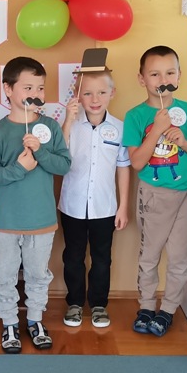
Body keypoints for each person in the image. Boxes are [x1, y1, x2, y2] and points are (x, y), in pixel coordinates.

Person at [0, 57, 72, 353]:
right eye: (28, 87)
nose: (35, 93)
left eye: (40, 87)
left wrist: (41, 152)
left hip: (41, 220)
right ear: (8, 89)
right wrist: (19, 168)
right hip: (6, 222)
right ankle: (9, 323)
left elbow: (64, 165)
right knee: (5, 276)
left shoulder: (49, 127)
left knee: (38, 275)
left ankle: (35, 320)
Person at [123, 45, 187, 336]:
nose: (163, 80)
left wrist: (184, 142)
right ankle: (147, 306)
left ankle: (168, 310)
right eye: (155, 74)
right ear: (142, 79)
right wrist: (158, 129)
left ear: (179, 76)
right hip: (154, 196)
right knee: (149, 256)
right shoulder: (135, 116)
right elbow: (136, 162)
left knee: (180, 257)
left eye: (170, 73)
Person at [58, 69, 131, 329]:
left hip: (105, 207)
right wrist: (68, 120)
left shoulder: (120, 128)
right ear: (77, 95)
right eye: (87, 93)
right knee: (73, 257)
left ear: (112, 93)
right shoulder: (70, 125)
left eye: (101, 92)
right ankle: (75, 303)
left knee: (102, 259)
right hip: (72, 206)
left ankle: (99, 304)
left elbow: (123, 167)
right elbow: (57, 155)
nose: (95, 99)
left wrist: (123, 206)